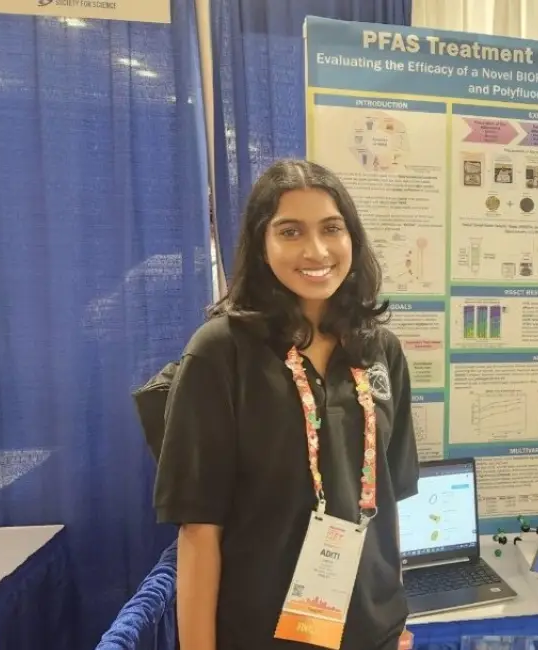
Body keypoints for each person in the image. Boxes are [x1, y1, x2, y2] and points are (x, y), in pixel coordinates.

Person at [155, 160, 420, 650]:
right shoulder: (220, 353)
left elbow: (389, 505)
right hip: (262, 634)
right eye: (290, 231)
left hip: (372, 634)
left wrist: (394, 615)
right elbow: (198, 529)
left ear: (353, 238)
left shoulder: (380, 350)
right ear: (262, 244)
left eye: (331, 228)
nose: (315, 250)